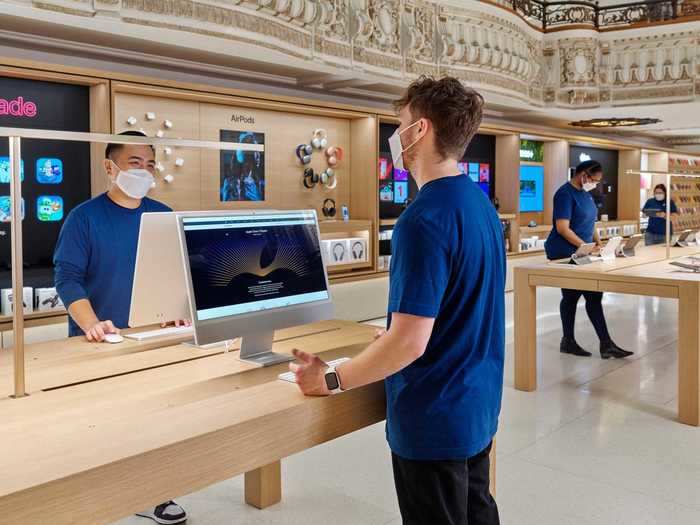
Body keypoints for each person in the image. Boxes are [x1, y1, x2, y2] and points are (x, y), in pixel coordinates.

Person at [290, 76, 504, 525]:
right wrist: (398, 330)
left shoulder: (422, 219)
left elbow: (410, 344)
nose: (396, 136)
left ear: (420, 130)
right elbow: (458, 307)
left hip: (434, 419)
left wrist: (331, 379)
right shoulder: (479, 205)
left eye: (400, 124)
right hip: (475, 407)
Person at [54, 130, 188, 525]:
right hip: (101, 340)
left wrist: (177, 310)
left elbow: (176, 273)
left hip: (152, 338)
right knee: (108, 425)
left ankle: (153, 492)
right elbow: (68, 278)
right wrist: (92, 324)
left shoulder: (163, 214)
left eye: (150, 164)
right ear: (110, 166)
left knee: (155, 420)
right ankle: (106, 495)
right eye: (135, 163)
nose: (144, 171)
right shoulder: (84, 218)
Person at [545, 160, 633, 360]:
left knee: (588, 296)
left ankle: (590, 343)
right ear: (583, 175)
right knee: (575, 295)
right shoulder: (564, 194)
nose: (595, 184)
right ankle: (587, 342)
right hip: (564, 252)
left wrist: (598, 242)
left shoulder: (586, 195)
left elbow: (590, 222)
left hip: (583, 250)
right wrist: (584, 246)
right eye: (593, 179)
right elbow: (562, 228)